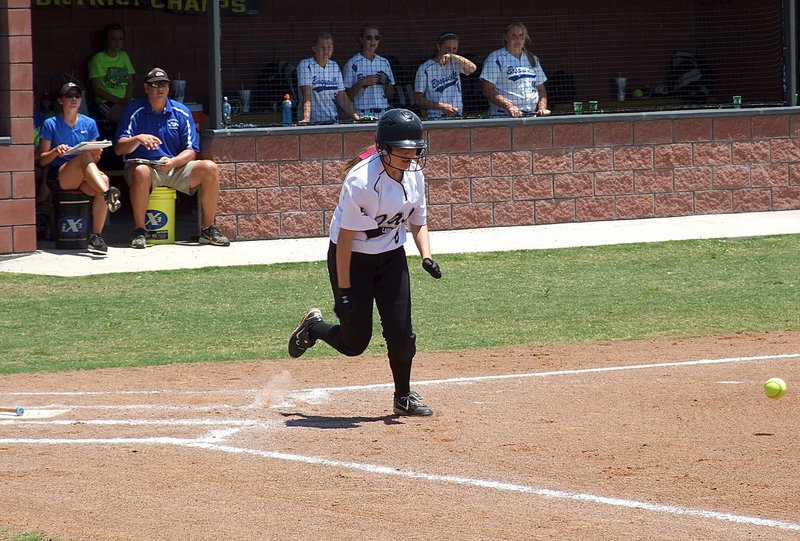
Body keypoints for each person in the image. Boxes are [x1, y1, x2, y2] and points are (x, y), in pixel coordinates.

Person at [288, 109, 442, 417]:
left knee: (401, 332)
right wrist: (343, 290)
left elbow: (418, 221)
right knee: (354, 343)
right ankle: (314, 327)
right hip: (353, 259)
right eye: (403, 148)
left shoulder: (414, 175)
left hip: (391, 259)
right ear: (384, 148)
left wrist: (426, 256)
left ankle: (403, 396)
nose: (410, 154)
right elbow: (345, 241)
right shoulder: (361, 181)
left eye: (414, 148)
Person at [115, 67, 230, 249]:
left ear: (169, 88)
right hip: (145, 167)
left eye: (164, 84)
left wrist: (174, 162)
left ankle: (208, 229)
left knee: (210, 168)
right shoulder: (134, 110)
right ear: (146, 88)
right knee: (141, 171)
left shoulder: (181, 111)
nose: (160, 88)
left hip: (173, 166)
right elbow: (119, 148)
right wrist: (138, 139)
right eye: (155, 84)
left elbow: (191, 150)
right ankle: (139, 230)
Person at [38, 82, 121, 254]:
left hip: (84, 174)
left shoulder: (89, 123)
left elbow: (93, 159)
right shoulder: (50, 123)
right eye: (69, 96)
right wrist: (55, 151)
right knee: (85, 156)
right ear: (61, 101)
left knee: (103, 178)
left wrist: (97, 152)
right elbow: (43, 160)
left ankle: (96, 236)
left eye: (77, 96)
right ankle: (108, 194)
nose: (74, 99)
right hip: (60, 175)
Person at [480, 22, 551, 118]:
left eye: (521, 35)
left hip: (531, 115)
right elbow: (488, 89)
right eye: (513, 35)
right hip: (504, 116)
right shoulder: (496, 58)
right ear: (506, 37)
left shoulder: (532, 59)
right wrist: (509, 106)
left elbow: (541, 88)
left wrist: (542, 108)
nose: (518, 39)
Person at [297, 33, 359, 124]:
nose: (326, 51)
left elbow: (342, 96)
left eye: (329, 47)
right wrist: (306, 119)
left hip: (332, 120)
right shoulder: (305, 65)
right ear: (314, 48)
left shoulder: (334, 66)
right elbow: (307, 94)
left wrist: (356, 117)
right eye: (322, 47)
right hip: (313, 122)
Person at [414, 32, 477, 119]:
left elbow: (472, 68)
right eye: (448, 48)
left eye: (454, 49)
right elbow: (418, 99)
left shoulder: (456, 63)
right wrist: (441, 106)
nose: (451, 51)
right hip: (436, 117)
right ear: (438, 47)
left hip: (457, 116)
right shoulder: (425, 68)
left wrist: (454, 56)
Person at [343, 24, 395, 119]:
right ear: (361, 39)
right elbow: (345, 97)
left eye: (377, 37)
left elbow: (391, 96)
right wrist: (362, 83)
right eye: (369, 37)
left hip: (383, 113)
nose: (373, 41)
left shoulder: (384, 62)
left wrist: (388, 83)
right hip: (361, 114)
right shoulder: (352, 63)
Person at [88, 23, 136, 125]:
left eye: (120, 39)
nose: (117, 43)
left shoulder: (124, 56)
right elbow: (97, 89)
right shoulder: (98, 59)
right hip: (106, 102)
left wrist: (127, 99)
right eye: (113, 39)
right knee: (126, 118)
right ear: (106, 40)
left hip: (126, 101)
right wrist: (119, 101)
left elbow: (130, 82)